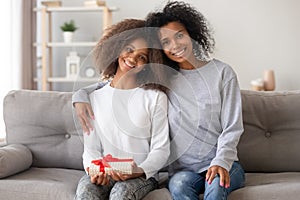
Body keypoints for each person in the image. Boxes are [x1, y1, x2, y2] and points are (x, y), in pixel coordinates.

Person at [73, 1, 245, 200]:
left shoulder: (222, 73)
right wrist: (79, 96)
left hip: (223, 163)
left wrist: (221, 162)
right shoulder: (165, 78)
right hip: (183, 171)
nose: (175, 45)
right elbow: (111, 88)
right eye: (166, 42)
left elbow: (232, 127)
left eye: (180, 35)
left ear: (192, 33)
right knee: (179, 186)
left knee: (215, 185)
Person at [74, 18, 170, 200]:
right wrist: (93, 170)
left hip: (142, 175)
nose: (133, 58)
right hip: (104, 172)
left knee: (121, 194)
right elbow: (91, 148)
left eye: (142, 57)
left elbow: (161, 149)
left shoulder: (155, 97)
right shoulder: (93, 98)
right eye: (129, 50)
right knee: (86, 192)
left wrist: (139, 170)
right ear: (118, 49)